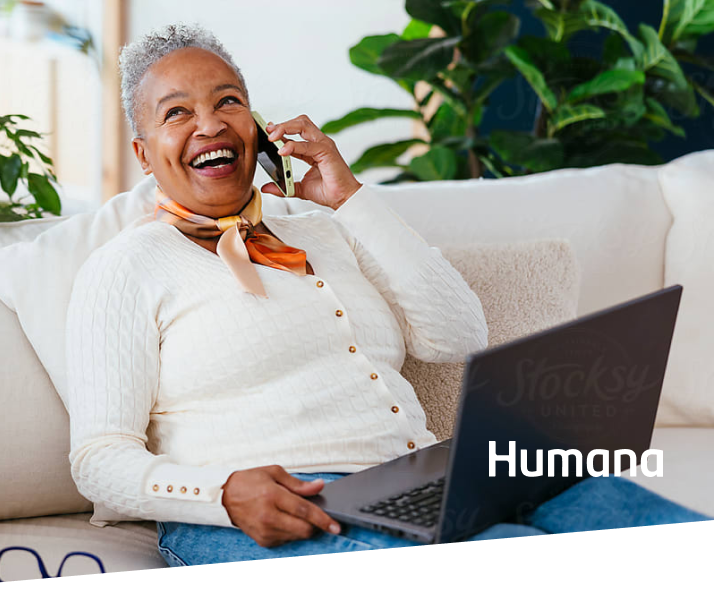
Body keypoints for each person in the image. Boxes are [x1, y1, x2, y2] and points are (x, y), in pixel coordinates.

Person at [64, 23, 710, 567]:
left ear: (257, 126)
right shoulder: (124, 267)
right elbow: (99, 459)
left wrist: (349, 199)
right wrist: (221, 494)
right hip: (274, 509)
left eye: (227, 101)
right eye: (176, 112)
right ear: (145, 155)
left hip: (432, 477)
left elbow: (459, 336)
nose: (209, 123)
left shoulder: (325, 228)